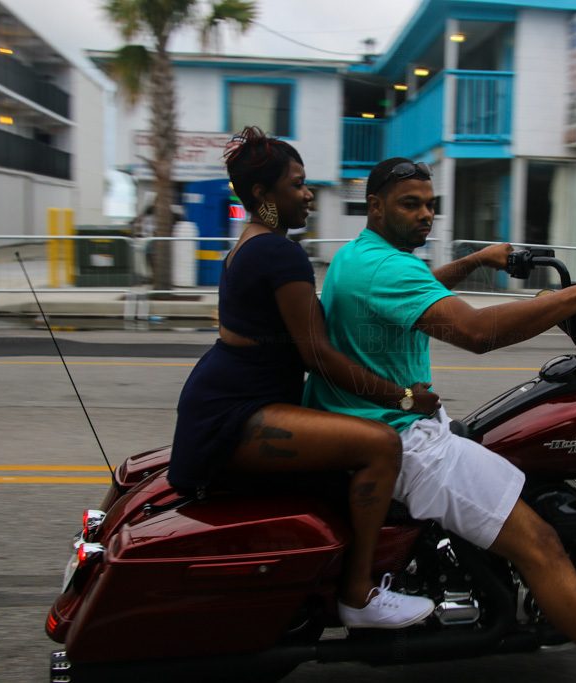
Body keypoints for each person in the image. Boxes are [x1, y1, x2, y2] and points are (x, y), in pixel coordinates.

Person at [303, 157, 576, 683]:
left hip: (378, 424)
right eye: (410, 204)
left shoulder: (360, 258)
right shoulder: (388, 267)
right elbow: (479, 333)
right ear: (375, 206)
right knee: (541, 544)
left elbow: (417, 293)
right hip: (407, 441)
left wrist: (477, 260)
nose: (425, 215)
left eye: (430, 205)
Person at [168, 130, 437, 629]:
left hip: (224, 399)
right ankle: (358, 596)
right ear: (263, 196)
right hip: (238, 413)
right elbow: (320, 356)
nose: (308, 194)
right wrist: (402, 397)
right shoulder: (278, 254)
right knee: (380, 446)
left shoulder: (254, 244)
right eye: (297, 185)